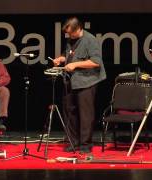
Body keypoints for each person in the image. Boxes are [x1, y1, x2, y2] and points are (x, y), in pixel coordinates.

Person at [53, 17, 106, 153]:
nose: (69, 36)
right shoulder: (71, 40)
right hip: (71, 81)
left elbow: (96, 62)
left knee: (85, 115)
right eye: (68, 34)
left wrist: (75, 64)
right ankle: (73, 142)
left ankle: (85, 145)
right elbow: (71, 55)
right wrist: (62, 59)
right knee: (70, 113)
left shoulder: (90, 40)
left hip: (87, 81)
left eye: (71, 33)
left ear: (79, 29)